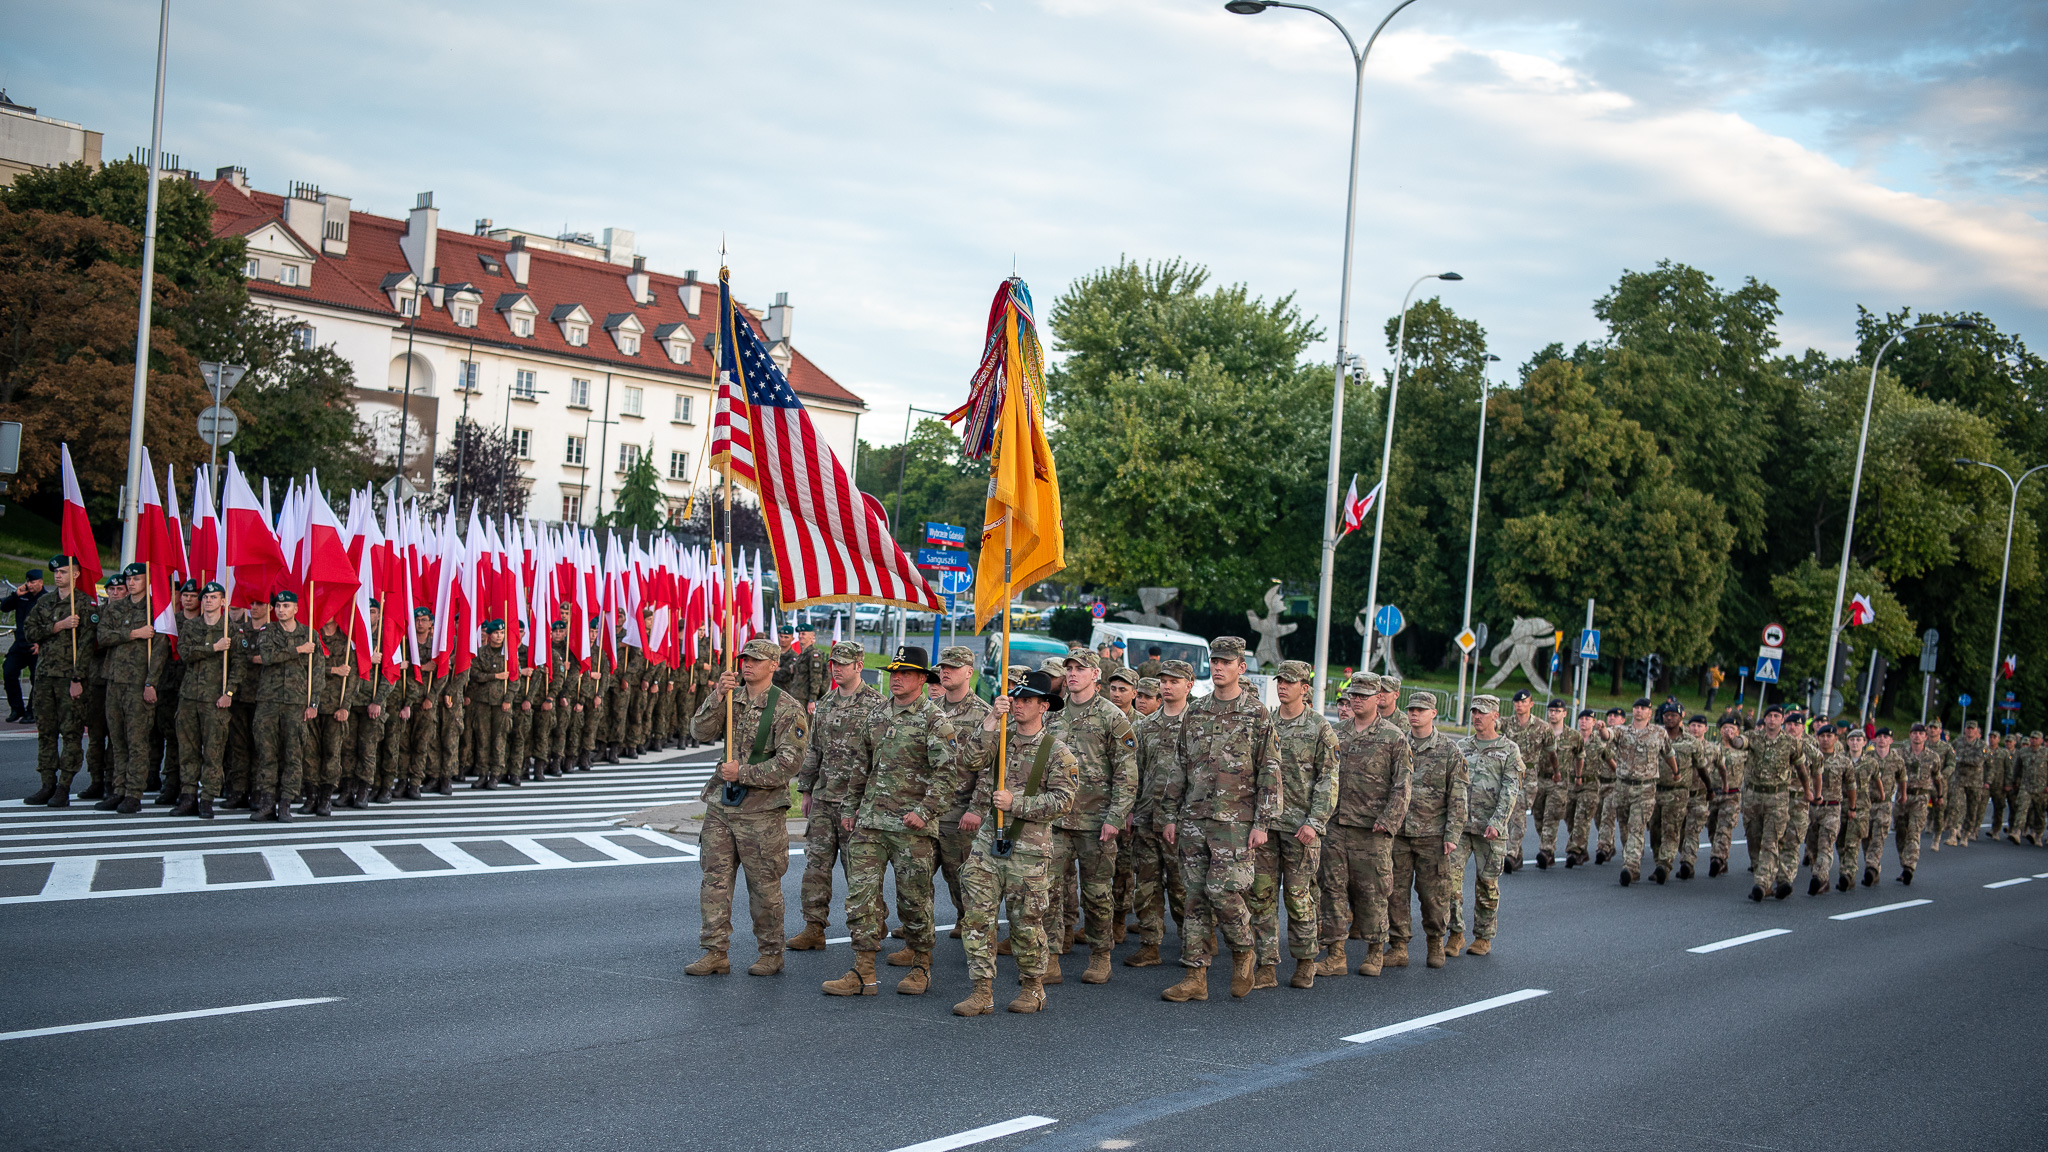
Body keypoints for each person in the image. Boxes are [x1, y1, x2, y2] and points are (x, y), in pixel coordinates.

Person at [825, 646, 958, 998]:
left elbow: (947, 774)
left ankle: (920, 965)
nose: (896, 678)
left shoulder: (934, 720)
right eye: (894, 672)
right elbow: (861, 766)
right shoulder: (877, 714)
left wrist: (924, 812)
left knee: (914, 900)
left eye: (905, 673)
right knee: (861, 898)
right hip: (871, 822)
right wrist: (850, 807)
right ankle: (863, 970)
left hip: (911, 828)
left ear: (922, 679)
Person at [953, 670, 1081, 1016]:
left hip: (1029, 849)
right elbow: (969, 760)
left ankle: (1033, 987)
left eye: (1027, 700)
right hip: (988, 843)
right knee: (977, 918)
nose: (1018, 704)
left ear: (1043, 706)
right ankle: (981, 991)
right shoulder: (1000, 738)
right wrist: (990, 720)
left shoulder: (1057, 752)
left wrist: (1016, 804)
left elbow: (1064, 801)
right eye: (1016, 698)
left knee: (1026, 923)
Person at [1160, 636, 1279, 1002]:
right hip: (1195, 817)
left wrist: (1262, 822)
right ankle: (1195, 976)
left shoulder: (1256, 713)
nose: (1218, 667)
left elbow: (1269, 769)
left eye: (1226, 662)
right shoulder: (1196, 710)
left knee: (1222, 891)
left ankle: (1244, 950)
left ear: (1241, 667)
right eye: (1214, 661)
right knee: (1194, 897)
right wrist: (1170, 814)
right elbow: (1180, 764)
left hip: (1235, 821)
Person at [686, 637, 810, 978]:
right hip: (722, 806)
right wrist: (716, 696)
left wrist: (742, 773)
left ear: (774, 665)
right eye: (745, 658)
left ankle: (771, 952)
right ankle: (715, 951)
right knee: (715, 881)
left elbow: (789, 764)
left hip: (761, 812)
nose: (747, 664)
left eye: (756, 659)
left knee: (764, 886)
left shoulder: (787, 708)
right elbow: (699, 732)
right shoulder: (732, 698)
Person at [1043, 651, 1137, 985]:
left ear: (1095, 674)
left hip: (1096, 821)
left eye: (1080, 669)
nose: (1072, 673)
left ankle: (1100, 955)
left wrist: (1116, 816)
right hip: (1056, 818)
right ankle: (1050, 956)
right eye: (1068, 668)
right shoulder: (1052, 714)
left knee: (1097, 894)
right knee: (1048, 891)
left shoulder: (1112, 717)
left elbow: (1127, 773)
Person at [790, 641, 885, 951]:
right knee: (815, 866)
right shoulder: (826, 702)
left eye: (844, 663)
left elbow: (882, 758)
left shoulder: (877, 705)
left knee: (860, 871)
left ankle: (875, 922)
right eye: (834, 663)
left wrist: (868, 802)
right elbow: (814, 748)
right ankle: (813, 927)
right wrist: (806, 790)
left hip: (856, 803)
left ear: (859, 666)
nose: (837, 668)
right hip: (823, 798)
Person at [1249, 660, 1338, 988]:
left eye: (1290, 682)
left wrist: (1315, 822)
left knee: (1299, 898)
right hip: (1266, 826)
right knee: (1261, 896)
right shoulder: (1267, 722)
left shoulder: (1319, 728)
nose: (1283, 686)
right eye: (1280, 681)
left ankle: (1305, 962)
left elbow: (1328, 779)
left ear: (1305, 687)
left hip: (1301, 829)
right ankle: (1266, 964)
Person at [1316, 672, 1410, 977]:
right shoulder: (1335, 732)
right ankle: (1336, 955)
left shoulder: (1393, 737)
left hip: (1372, 831)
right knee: (1332, 891)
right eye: (1353, 695)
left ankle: (1375, 952)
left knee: (1373, 893)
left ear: (1378, 698)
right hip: (1335, 826)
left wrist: (1388, 821)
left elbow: (1402, 785)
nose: (1355, 700)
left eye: (1362, 696)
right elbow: (1321, 775)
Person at [1388, 692, 1467, 970]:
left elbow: (1458, 796)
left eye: (1421, 710)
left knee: (1434, 895)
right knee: (1395, 893)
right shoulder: (1398, 743)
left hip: (1432, 835)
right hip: (1399, 834)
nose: (1414, 714)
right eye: (1411, 709)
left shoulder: (1449, 750)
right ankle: (1398, 946)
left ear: (1433, 713)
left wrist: (1452, 835)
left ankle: (1435, 943)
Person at [1125, 660, 1193, 969]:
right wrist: (1129, 810)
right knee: (1147, 886)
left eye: (1174, 681)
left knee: (1182, 888)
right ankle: (1149, 945)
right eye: (1164, 681)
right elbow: (1135, 772)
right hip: (1146, 817)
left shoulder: (1196, 723)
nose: (1167, 686)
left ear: (1188, 686)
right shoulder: (1145, 725)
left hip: (1182, 822)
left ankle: (1193, 943)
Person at [1447, 694, 1520, 959]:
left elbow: (1511, 790)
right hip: (1461, 827)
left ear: (1495, 716)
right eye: (1474, 712)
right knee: (1449, 882)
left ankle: (1483, 937)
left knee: (1487, 885)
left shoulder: (1509, 749)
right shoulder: (1462, 746)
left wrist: (1498, 823)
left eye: (1483, 712)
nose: (1477, 717)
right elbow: (1452, 784)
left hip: (1490, 830)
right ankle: (1455, 933)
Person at [931, 646, 993, 941]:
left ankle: (970, 921)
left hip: (960, 811)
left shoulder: (984, 714)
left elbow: (989, 769)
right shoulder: (930, 709)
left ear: (969, 672)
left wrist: (977, 809)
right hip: (928, 808)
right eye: (943, 667)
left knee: (961, 877)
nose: (945, 672)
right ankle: (918, 926)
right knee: (916, 875)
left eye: (953, 667)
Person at [95, 563, 164, 814]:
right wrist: (134, 633)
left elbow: (160, 651)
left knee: (137, 741)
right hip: (115, 680)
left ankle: (134, 793)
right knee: (117, 740)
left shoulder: (155, 609)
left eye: (137, 578)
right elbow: (103, 637)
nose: (131, 582)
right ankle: (119, 789)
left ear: (147, 580)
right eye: (129, 579)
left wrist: (151, 682)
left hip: (138, 683)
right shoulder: (116, 607)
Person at [22, 556, 92, 805]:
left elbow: (87, 644)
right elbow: (29, 631)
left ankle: (64, 785)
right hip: (44, 676)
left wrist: (77, 677)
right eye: (56, 572)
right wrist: (57, 626)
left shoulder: (84, 603)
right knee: (46, 732)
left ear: (75, 574)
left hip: (69, 677)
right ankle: (47, 784)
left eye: (63, 571)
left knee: (71, 732)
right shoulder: (45, 602)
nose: (58, 575)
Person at [171, 581, 239, 818]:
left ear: (223, 601)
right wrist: (214, 647)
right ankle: (188, 796)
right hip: (189, 696)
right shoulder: (191, 626)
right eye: (206, 597)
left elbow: (238, 666)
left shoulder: (231, 630)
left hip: (215, 699)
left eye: (214, 597)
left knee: (213, 751)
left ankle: (207, 798)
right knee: (187, 749)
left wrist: (229, 693)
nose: (209, 600)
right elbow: (184, 653)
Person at [250, 590, 318, 823]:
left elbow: (316, 671)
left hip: (296, 704)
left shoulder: (309, 635)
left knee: (293, 755)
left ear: (296, 609)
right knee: (266, 754)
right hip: (268, 702)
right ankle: (267, 803)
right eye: (278, 606)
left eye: (286, 606)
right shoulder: (267, 631)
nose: (281, 610)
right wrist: (298, 650)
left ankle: (286, 803)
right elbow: (268, 657)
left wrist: (313, 702)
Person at [1599, 697, 1677, 885]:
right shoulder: (1622, 731)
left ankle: (1631, 867)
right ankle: (1632, 856)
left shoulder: (1658, 733)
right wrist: (1601, 729)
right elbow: (1608, 735)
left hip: (1645, 788)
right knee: (1624, 827)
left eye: (1643, 708)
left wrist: (1676, 771)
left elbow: (1668, 753)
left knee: (1636, 826)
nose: (1639, 710)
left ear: (1650, 712)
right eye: (1636, 707)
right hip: (1623, 787)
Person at [1743, 704, 1805, 901]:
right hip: (1754, 797)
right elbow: (1741, 742)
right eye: (1769, 715)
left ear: (1782, 720)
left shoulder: (1793, 744)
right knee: (1754, 838)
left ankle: (1765, 883)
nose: (1772, 719)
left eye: (1776, 716)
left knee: (1775, 841)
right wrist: (1732, 738)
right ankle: (1765, 878)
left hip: (1782, 799)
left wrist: (1811, 792)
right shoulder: (1755, 738)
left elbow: (1805, 770)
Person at [1500, 689, 1548, 874]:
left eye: (1523, 702)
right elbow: (1493, 725)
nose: (1519, 705)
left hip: (1528, 777)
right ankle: (1517, 856)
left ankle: (1511, 853)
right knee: (1508, 814)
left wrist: (1554, 772)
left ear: (1531, 704)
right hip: (1508, 773)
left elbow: (1551, 752)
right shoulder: (1507, 723)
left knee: (1518, 812)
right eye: (1517, 702)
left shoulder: (1542, 727)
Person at [1896, 723, 1944, 882]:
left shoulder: (1933, 757)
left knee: (1914, 832)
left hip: (1921, 798)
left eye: (1920, 733)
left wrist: (1940, 796)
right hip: (1903, 797)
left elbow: (1937, 778)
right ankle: (1904, 862)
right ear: (1910, 735)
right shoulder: (1900, 754)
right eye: (1914, 733)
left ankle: (1909, 866)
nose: (1917, 736)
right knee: (1901, 832)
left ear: (1925, 737)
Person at [1563, 709, 1611, 867]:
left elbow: (1611, 761)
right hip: (1570, 785)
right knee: (1569, 817)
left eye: (1587, 719)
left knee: (1581, 819)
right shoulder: (1571, 739)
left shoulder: (1599, 742)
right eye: (1581, 718)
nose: (1584, 721)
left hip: (1590, 786)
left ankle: (1575, 851)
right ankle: (1581, 849)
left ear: (1593, 722)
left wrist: (1619, 778)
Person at [1532, 699, 1573, 869]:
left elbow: (1580, 756)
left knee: (1552, 816)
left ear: (1564, 713)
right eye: (1551, 711)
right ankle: (1547, 848)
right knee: (1538, 816)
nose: (1553, 714)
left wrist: (1577, 776)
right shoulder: (1539, 732)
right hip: (1540, 779)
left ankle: (1546, 851)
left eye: (1557, 711)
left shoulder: (1573, 736)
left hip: (1559, 782)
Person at [1705, 718, 1749, 877]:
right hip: (1713, 794)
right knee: (1712, 827)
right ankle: (1721, 858)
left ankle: (1717, 858)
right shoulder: (1713, 749)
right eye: (1725, 728)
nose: (1728, 731)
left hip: (1732, 795)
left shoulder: (1744, 752)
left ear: (1738, 732)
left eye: (1732, 728)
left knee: (1724, 827)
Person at [3, 567, 46, 723]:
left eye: (33, 582)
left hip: (36, 645)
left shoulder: (46, 599)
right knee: (8, 671)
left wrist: (41, 643)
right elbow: (4, 607)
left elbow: (50, 623)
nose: (29, 585)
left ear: (41, 582)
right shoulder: (22, 596)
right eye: (28, 581)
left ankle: (32, 712)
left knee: (36, 679)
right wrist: (15, 595)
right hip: (20, 643)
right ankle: (17, 708)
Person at [1944, 720, 1989, 847]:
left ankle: (1965, 835)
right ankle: (1953, 834)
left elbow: (1978, 761)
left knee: (1972, 809)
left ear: (1976, 731)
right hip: (1958, 779)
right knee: (1954, 806)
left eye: (1972, 729)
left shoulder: (1982, 745)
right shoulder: (1958, 742)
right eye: (1968, 728)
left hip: (1974, 782)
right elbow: (1950, 756)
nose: (1970, 731)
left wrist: (1959, 759)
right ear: (1965, 729)